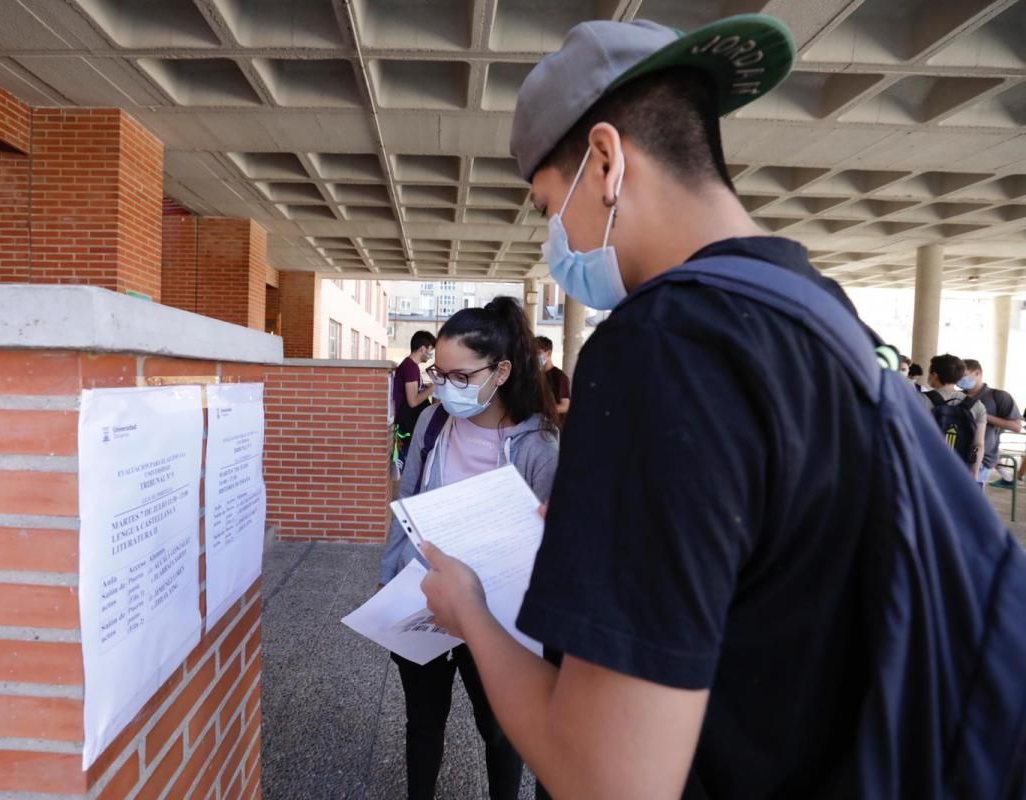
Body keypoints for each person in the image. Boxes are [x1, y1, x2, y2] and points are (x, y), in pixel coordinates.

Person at [419, 15, 1026, 800]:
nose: (553, 239)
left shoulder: (662, 347)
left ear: (604, 161)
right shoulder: (823, 314)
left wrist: (469, 612)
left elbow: (611, 780)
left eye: (545, 206)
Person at [379, 298, 559, 800]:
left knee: (500, 730)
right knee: (423, 722)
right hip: (425, 600)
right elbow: (407, 502)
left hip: (497, 615)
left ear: (500, 372)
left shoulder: (537, 446)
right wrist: (390, 577)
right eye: (440, 372)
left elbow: (548, 541)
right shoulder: (434, 425)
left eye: (461, 376)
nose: (445, 386)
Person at [920, 354, 986, 481]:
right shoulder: (977, 406)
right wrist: (974, 472)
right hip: (960, 470)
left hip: (926, 469)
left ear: (934, 375)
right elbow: (979, 444)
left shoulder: (919, 399)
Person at [962, 358, 1022, 486]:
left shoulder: (998, 396)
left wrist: (982, 415)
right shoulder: (958, 396)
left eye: (964, 376)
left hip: (982, 459)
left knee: (972, 502)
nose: (960, 380)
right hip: (958, 454)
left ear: (977, 373)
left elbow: (1017, 427)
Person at [392, 331, 437, 463]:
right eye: (430, 350)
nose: (430, 355)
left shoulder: (411, 366)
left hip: (409, 422)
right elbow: (413, 401)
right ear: (422, 348)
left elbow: (414, 390)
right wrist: (434, 387)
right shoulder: (410, 367)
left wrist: (426, 387)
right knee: (409, 463)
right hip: (408, 424)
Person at [534, 336, 571, 420]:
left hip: (553, 427)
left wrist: (542, 410)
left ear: (548, 353)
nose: (534, 356)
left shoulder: (560, 377)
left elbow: (565, 406)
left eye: (538, 353)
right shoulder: (535, 376)